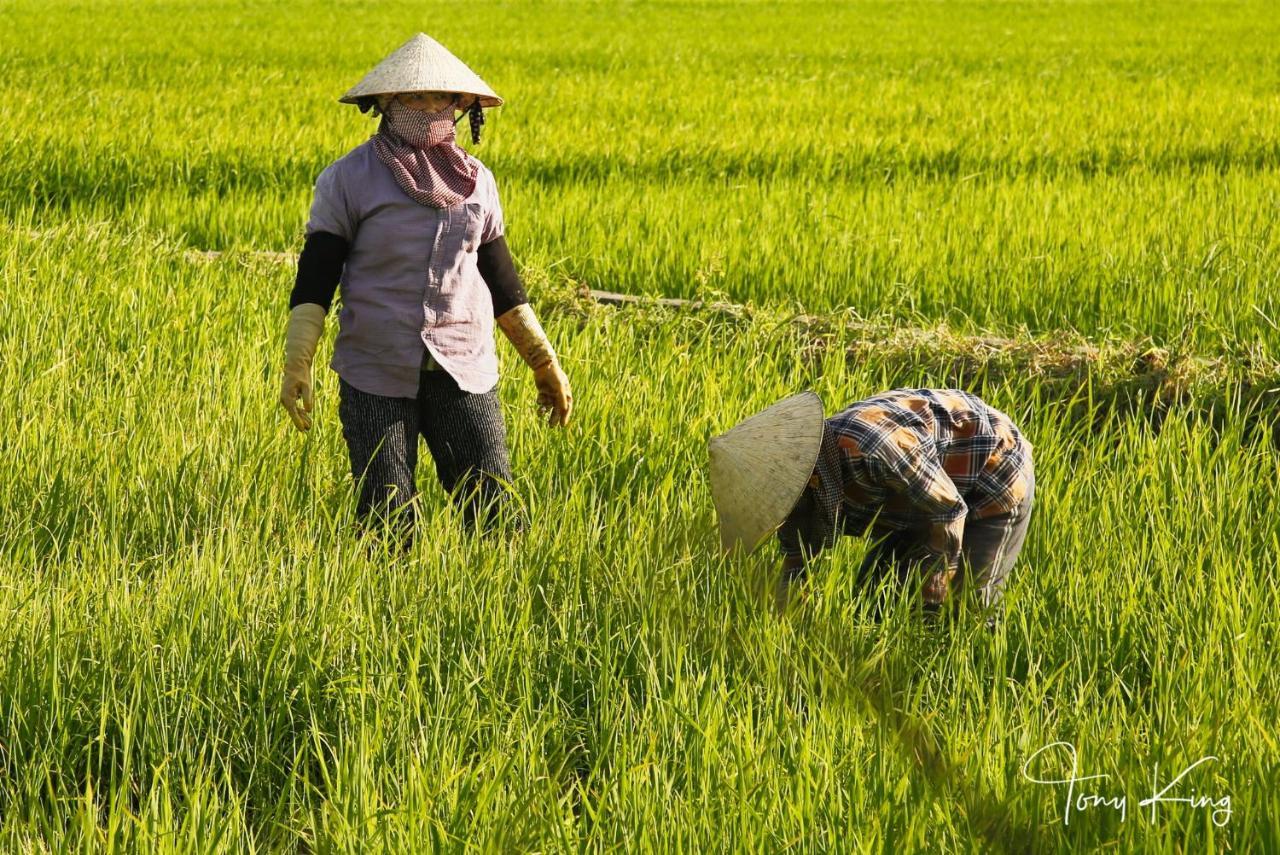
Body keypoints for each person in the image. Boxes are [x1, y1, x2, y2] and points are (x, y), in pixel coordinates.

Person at [278, 33, 571, 537]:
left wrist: (545, 364)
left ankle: (494, 605)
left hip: (463, 366)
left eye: (442, 98)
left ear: (460, 106)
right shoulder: (348, 179)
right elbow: (316, 277)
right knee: (386, 516)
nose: (431, 108)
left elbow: (502, 281)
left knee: (494, 511)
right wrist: (297, 361)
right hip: (376, 367)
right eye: (416, 97)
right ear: (387, 103)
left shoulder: (478, 181)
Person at [709, 389, 1034, 619]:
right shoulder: (798, 492)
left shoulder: (875, 450)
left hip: (992, 469)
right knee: (873, 602)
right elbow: (797, 562)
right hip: (916, 500)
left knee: (966, 609)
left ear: (809, 478)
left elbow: (949, 509)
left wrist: (935, 583)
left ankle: (970, 685)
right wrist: (787, 614)